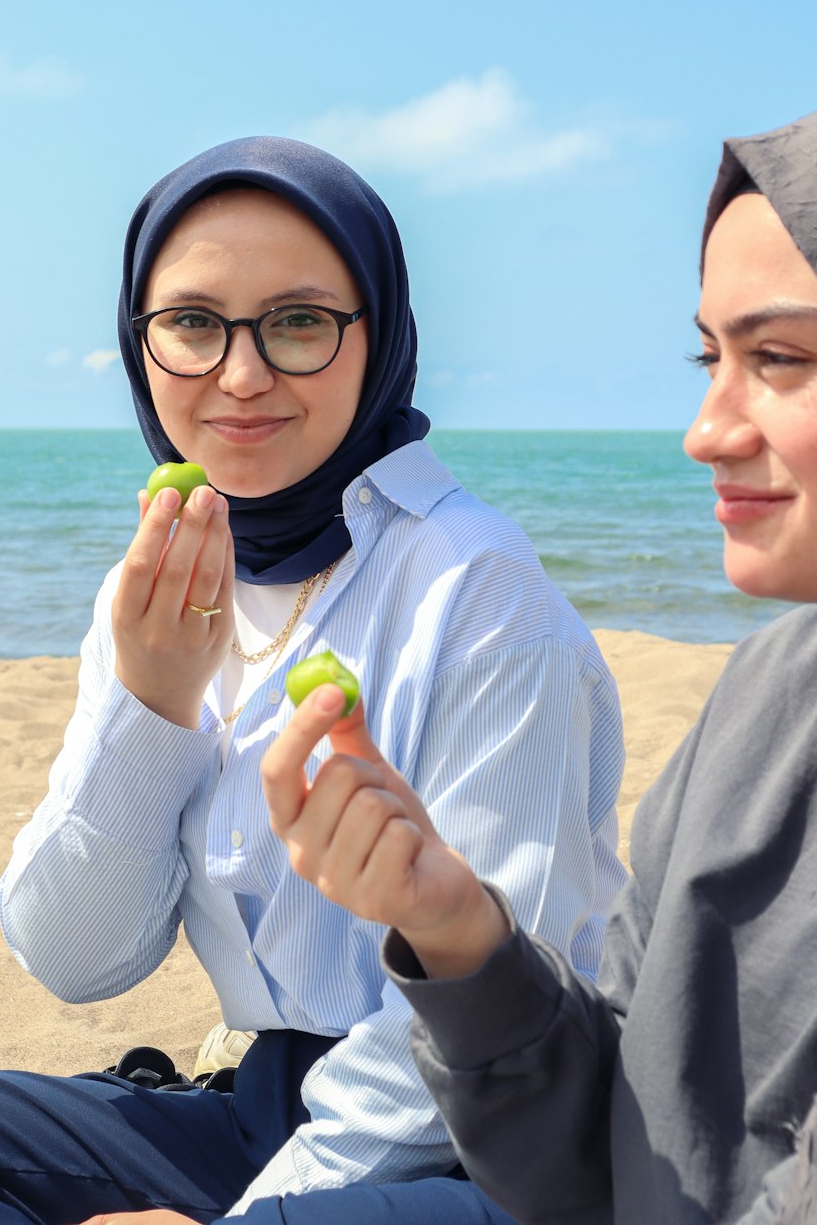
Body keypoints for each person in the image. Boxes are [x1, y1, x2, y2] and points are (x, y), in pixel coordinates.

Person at [0, 136, 627, 1224]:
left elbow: (472, 1034)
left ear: (375, 337)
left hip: (489, 1143)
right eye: (193, 325)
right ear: (139, 342)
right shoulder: (162, 584)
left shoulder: (475, 588)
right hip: (260, 1110)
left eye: (298, 323)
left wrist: (242, 1222)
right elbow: (75, 959)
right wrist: (150, 704)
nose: (239, 375)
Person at [261, 111, 817, 1225]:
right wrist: (457, 931)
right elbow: (605, 1171)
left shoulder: (484, 583)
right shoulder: (761, 698)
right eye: (709, 358)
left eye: (783, 360)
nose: (704, 430)